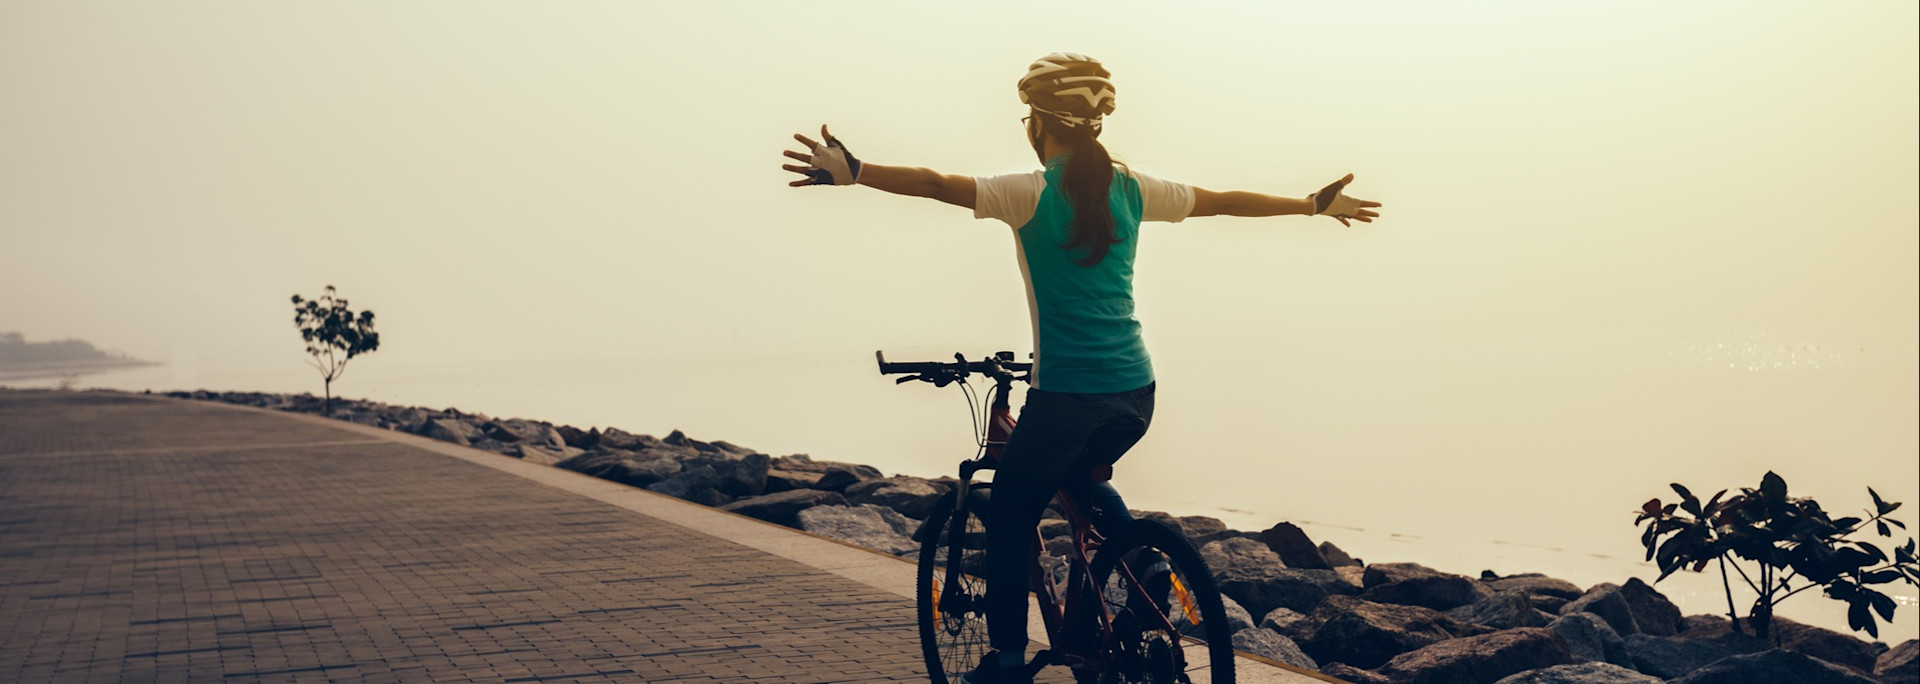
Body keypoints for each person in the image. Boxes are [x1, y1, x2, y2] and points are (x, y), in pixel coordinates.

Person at [782, 52, 1379, 683]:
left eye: (1026, 119)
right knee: (1084, 481)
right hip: (1137, 391)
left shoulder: (1031, 191)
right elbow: (1221, 202)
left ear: (1041, 123)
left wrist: (857, 170)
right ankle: (1140, 563)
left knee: (1012, 513)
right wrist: (1310, 206)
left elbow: (936, 183)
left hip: (1068, 391)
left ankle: (1009, 664)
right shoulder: (1132, 187)